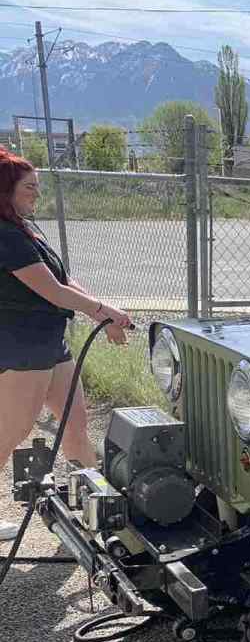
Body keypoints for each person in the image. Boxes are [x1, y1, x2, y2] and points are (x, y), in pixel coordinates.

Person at [0, 149, 133, 541]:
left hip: (51, 344)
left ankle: (100, 513)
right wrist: (101, 312)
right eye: (29, 188)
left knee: (76, 427)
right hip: (21, 349)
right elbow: (53, 292)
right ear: (4, 190)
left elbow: (65, 280)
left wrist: (105, 311)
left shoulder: (26, 229)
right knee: (10, 434)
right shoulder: (5, 236)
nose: (36, 196)